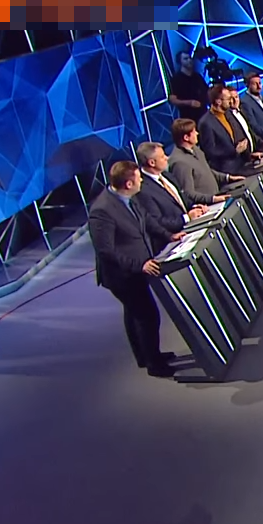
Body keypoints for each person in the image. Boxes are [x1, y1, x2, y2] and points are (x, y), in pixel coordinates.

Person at [88, 161, 185, 377]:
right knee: (147, 315)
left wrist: (168, 236)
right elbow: (106, 251)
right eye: (138, 178)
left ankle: (145, 356)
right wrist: (139, 265)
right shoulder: (102, 211)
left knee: (134, 314)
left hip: (137, 269)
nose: (142, 180)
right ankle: (154, 364)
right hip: (122, 275)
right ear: (128, 183)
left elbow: (146, 221)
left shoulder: (131, 198)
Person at [168, 51, 208, 122]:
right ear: (180, 62)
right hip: (188, 118)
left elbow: (206, 92)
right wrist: (189, 103)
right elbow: (172, 100)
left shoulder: (197, 76)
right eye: (185, 59)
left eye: (190, 58)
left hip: (204, 115)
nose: (189, 60)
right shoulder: (176, 79)